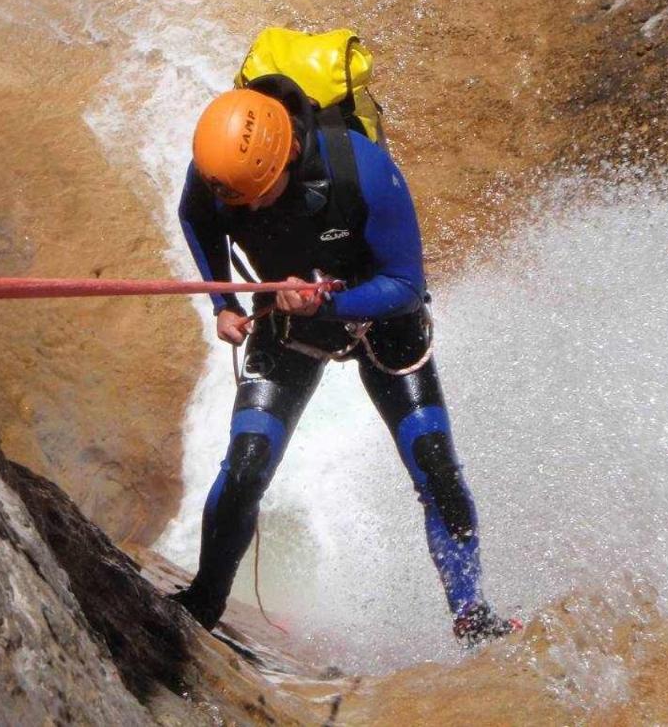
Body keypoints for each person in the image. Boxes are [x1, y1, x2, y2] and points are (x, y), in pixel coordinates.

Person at [171, 75, 519, 646]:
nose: (246, 208)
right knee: (247, 463)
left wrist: (328, 301)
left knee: (434, 462)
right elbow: (197, 217)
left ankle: (472, 613)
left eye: (254, 196)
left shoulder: (365, 172)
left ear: (284, 157)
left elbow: (405, 284)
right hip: (287, 321)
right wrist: (223, 303)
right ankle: (202, 605)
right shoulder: (221, 175)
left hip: (384, 323)